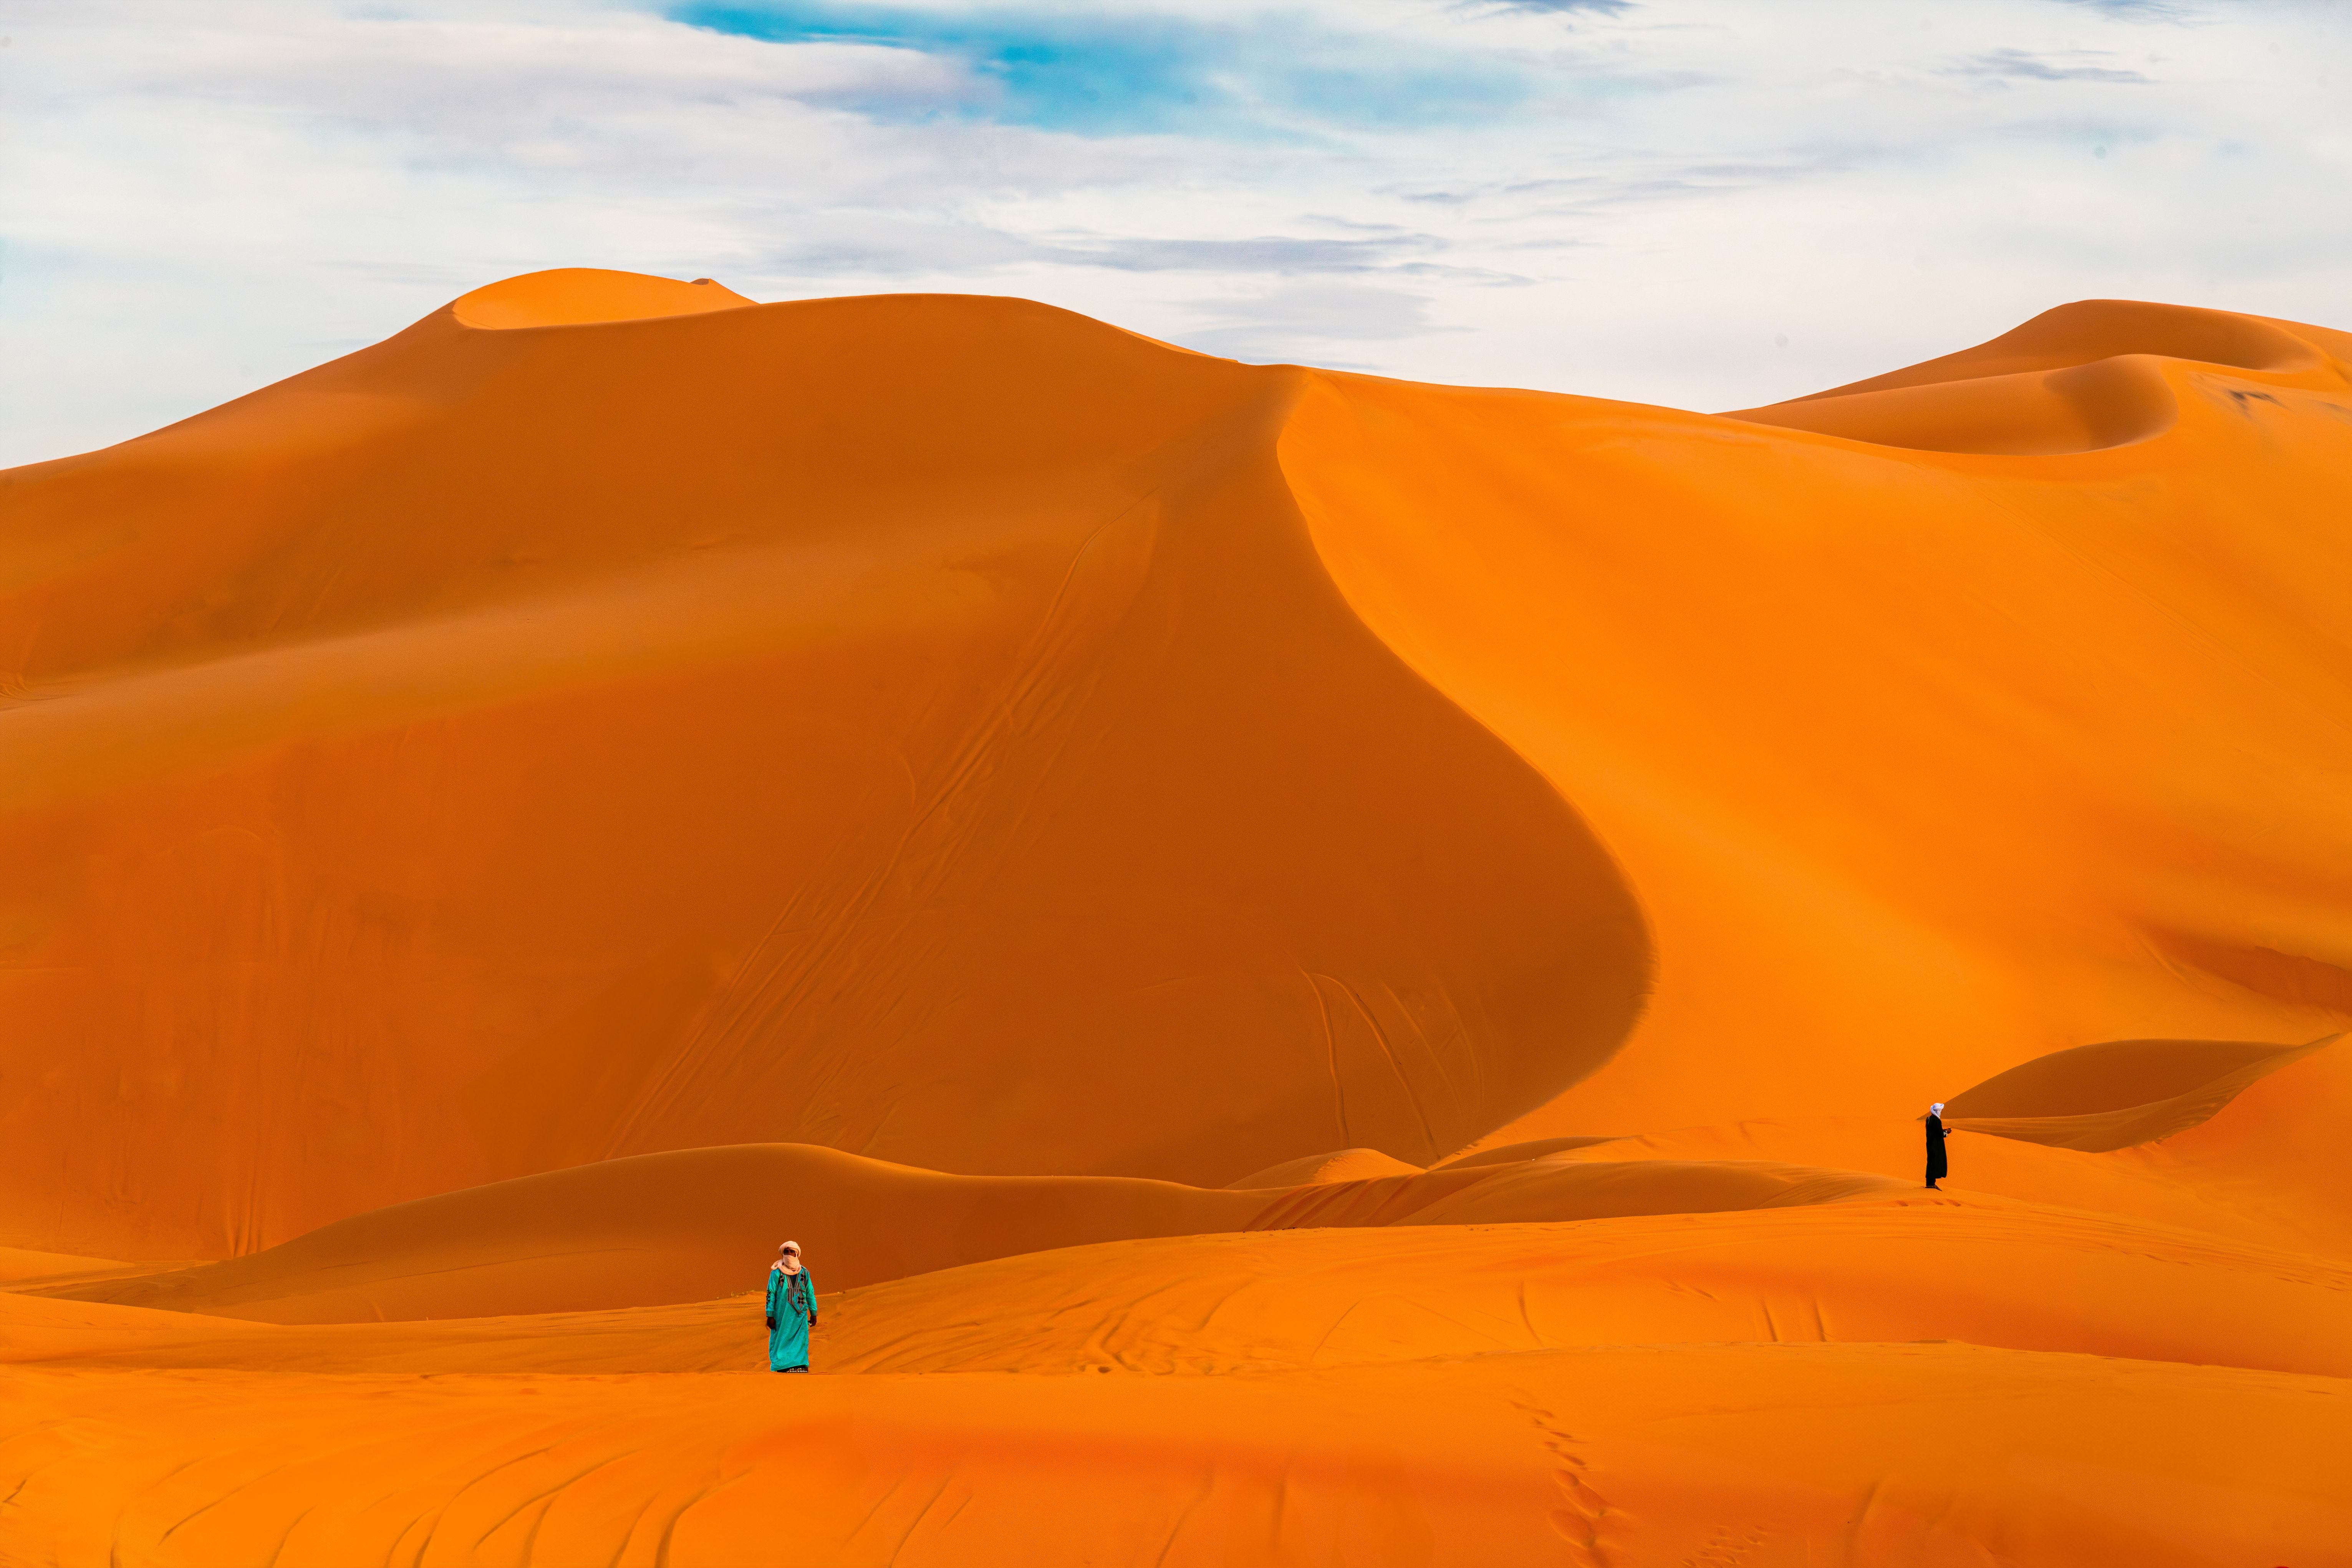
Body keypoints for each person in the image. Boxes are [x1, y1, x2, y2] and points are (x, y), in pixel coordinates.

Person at [764, 1240, 818, 1373]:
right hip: (781, 1314)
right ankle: (782, 1366)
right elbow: (771, 1293)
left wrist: (814, 1312)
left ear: (796, 1254)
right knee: (781, 1340)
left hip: (800, 1313)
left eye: (791, 1252)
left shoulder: (804, 1273)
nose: (789, 1254)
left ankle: (800, 1365)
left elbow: (810, 1293)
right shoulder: (777, 1272)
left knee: (800, 1339)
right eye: (786, 1252)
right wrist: (770, 1315)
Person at [1924, 1102, 1952, 1189]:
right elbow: (1940, 1134)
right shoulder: (1937, 1120)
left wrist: (1943, 1130)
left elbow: (1934, 1131)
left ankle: (1929, 1182)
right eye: (1940, 1111)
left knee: (1931, 1162)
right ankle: (1931, 1184)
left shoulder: (1929, 1119)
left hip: (1930, 1144)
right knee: (1935, 1162)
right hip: (1936, 1145)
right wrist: (1947, 1132)